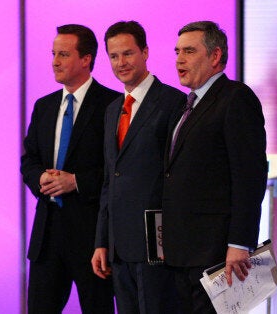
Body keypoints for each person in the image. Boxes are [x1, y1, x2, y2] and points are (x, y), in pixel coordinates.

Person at [163, 21, 267, 313]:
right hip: (181, 251)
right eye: (177, 51)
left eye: (189, 51)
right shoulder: (184, 106)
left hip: (217, 252)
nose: (179, 59)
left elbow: (250, 177)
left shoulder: (236, 98)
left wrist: (240, 242)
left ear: (215, 56)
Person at [21, 24, 119, 313]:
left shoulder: (112, 104)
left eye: (63, 54)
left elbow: (118, 169)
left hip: (92, 236)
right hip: (47, 233)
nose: (55, 61)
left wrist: (76, 182)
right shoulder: (44, 106)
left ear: (86, 59)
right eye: (53, 54)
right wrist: (39, 176)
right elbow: (28, 159)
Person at [91, 20, 187, 313]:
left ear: (145, 52)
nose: (121, 62)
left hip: (158, 244)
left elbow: (179, 177)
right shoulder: (111, 111)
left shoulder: (174, 102)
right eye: (114, 56)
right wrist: (102, 242)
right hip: (120, 248)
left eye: (128, 53)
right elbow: (110, 179)